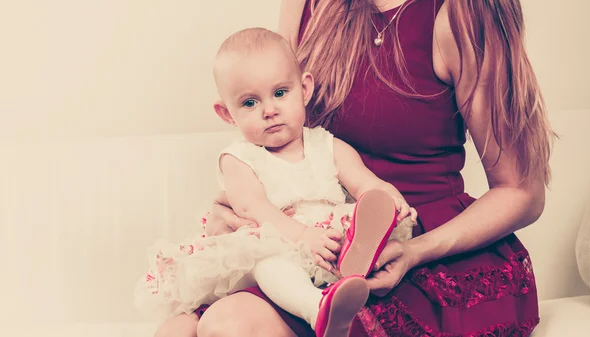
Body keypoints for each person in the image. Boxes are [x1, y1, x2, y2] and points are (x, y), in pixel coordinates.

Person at [156, 0, 556, 336]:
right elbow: (274, 120)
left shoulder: (461, 12)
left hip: (421, 243)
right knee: (175, 328)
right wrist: (241, 215)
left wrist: (415, 251)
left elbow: (522, 191)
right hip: (316, 236)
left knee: (230, 325)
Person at [137, 27, 418, 337]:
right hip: (275, 241)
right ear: (227, 114)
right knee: (268, 261)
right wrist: (301, 236)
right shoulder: (238, 158)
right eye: (249, 103)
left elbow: (365, 183)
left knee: (356, 221)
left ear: (305, 88)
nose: (269, 110)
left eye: (280, 93)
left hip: (325, 243)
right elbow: (253, 207)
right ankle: (319, 310)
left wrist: (390, 199)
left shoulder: (327, 146)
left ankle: (354, 259)